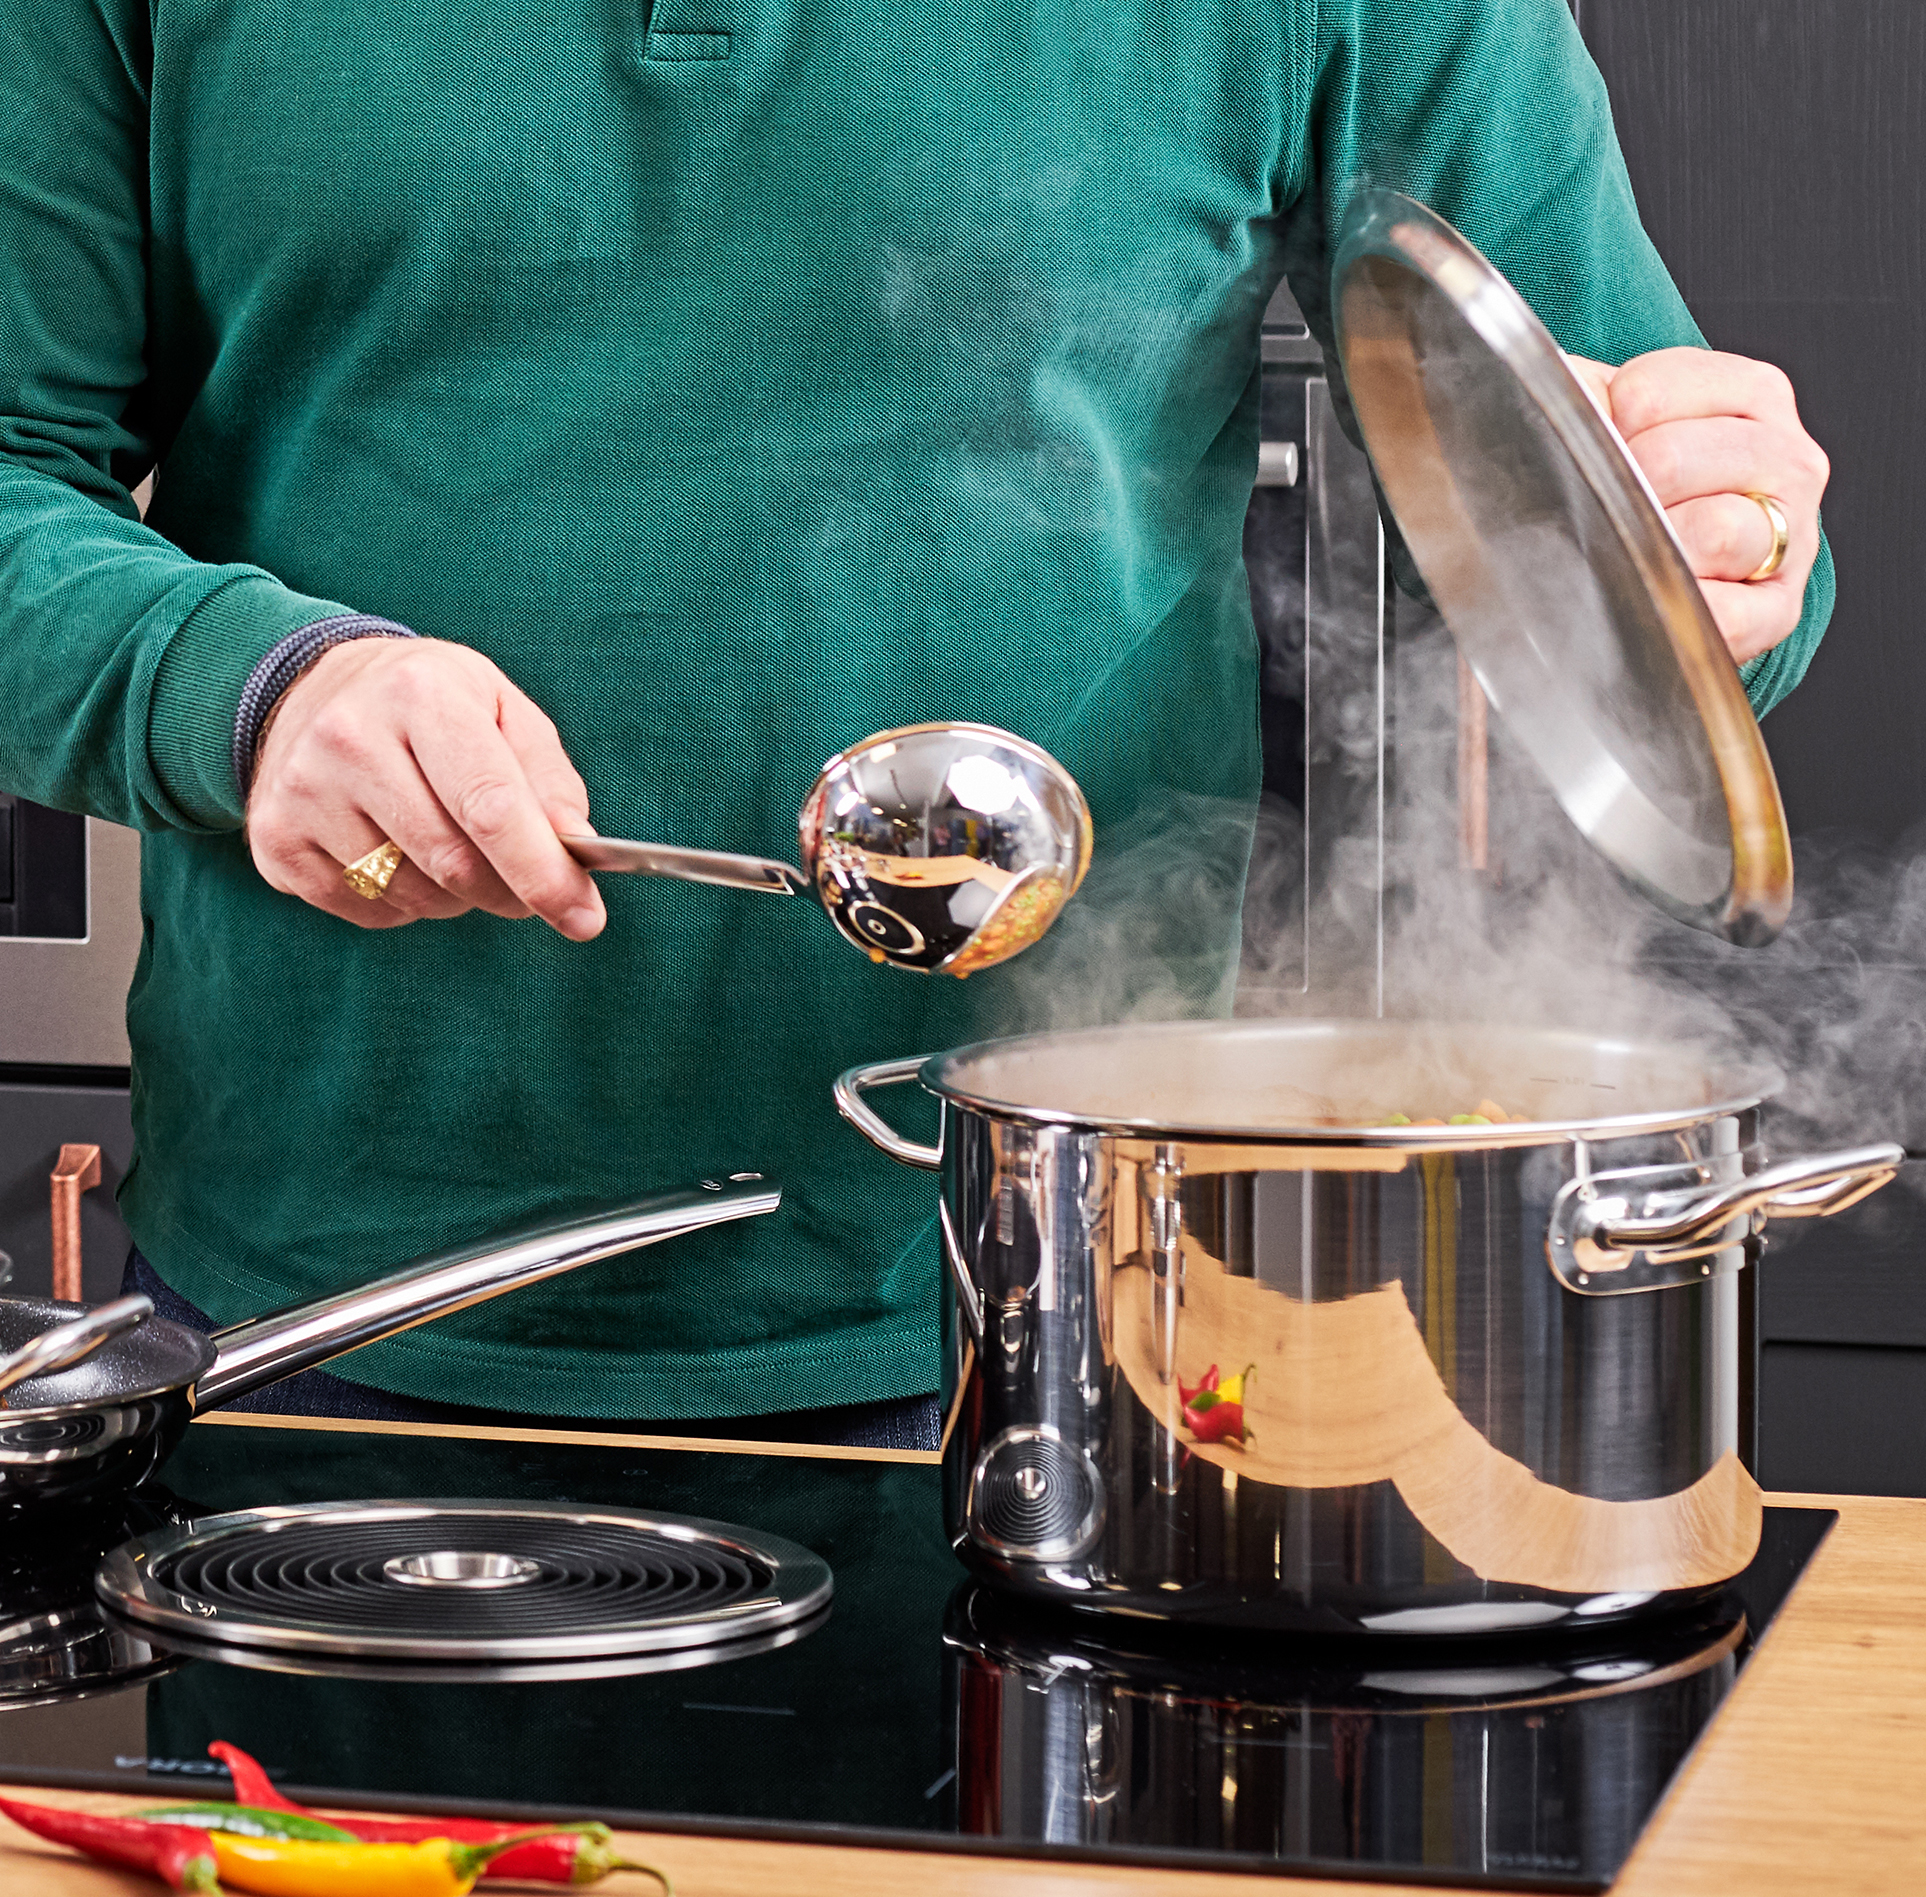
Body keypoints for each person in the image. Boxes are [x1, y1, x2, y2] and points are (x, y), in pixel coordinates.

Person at [0, 0, 1832, 1443]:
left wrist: (1719, 541)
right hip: (318, 1330)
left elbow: (1636, 533)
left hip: (1077, 1326)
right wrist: (241, 693)